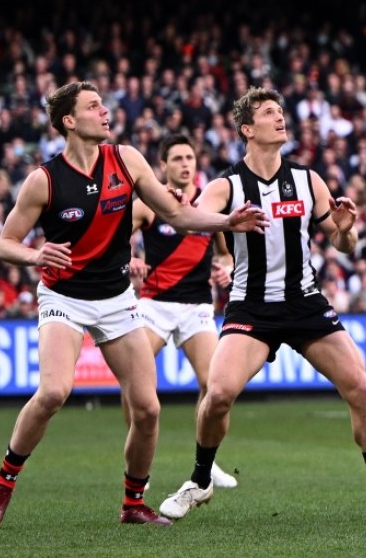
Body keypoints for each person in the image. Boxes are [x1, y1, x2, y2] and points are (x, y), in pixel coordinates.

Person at [0, 82, 267, 527]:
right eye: (93, 106)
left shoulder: (127, 159)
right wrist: (35, 254)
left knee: (148, 408)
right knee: (54, 391)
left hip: (116, 299)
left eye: (104, 105)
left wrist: (227, 221)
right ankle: (4, 480)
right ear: (69, 121)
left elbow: (175, 215)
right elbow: (4, 244)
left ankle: (133, 504)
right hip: (64, 297)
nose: (105, 111)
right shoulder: (44, 181)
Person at [157, 87, 366, 522]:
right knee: (217, 395)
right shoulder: (228, 184)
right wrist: (227, 222)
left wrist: (348, 231)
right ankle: (199, 481)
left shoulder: (309, 180)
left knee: (361, 388)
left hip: (305, 304)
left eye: (281, 112)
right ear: (247, 129)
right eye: (269, 113)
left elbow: (343, 243)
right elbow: (189, 219)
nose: (280, 118)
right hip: (252, 307)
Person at [124, 132, 238, 490]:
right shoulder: (148, 204)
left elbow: (226, 253)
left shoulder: (208, 206)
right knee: (134, 379)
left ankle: (208, 462)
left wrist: (226, 268)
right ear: (163, 165)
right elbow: (115, 239)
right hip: (154, 305)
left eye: (189, 158)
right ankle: (137, 451)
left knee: (215, 385)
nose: (185, 164)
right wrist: (131, 258)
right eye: (177, 159)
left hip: (197, 307)